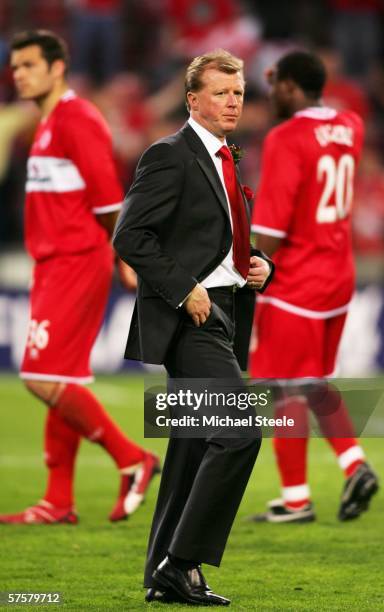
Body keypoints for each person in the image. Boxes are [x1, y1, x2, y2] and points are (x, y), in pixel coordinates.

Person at [113, 49, 273, 606]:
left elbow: (215, 234)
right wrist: (184, 288)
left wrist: (259, 264)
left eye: (239, 93)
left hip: (230, 311)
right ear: (192, 100)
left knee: (189, 446)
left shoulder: (227, 154)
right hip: (193, 318)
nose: (233, 102)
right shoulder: (169, 155)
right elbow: (131, 237)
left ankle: (163, 570)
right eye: (222, 92)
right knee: (240, 431)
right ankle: (181, 564)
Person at [0, 30, 159, 526]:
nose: (18, 73)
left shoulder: (77, 118)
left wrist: (125, 256)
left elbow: (110, 198)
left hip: (76, 260)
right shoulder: (44, 124)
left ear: (57, 68)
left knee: (41, 375)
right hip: (53, 262)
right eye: (15, 66)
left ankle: (132, 458)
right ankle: (58, 501)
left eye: (28, 65)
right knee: (61, 375)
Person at [249, 50, 379, 524]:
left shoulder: (286, 138)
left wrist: (250, 258)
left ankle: (298, 499)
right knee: (312, 383)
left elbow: (272, 231)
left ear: (287, 86)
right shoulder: (352, 125)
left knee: (282, 389)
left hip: (296, 278)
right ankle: (352, 465)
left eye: (274, 84)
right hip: (339, 275)